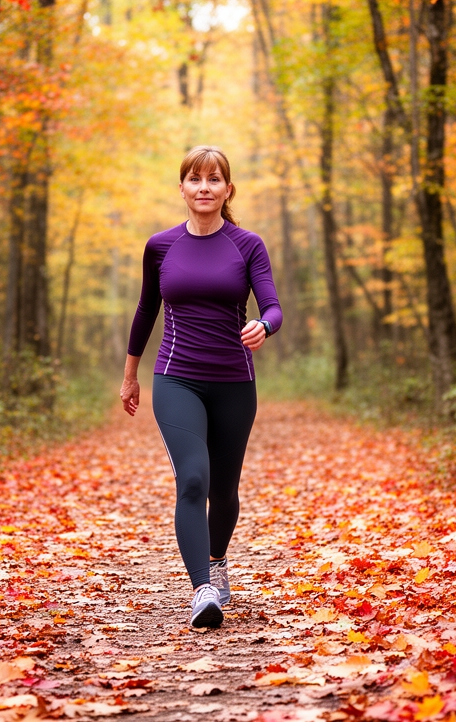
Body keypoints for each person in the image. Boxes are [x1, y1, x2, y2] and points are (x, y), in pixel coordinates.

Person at [119, 145, 282, 629]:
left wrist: (264, 327)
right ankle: (202, 590)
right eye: (195, 179)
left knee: (225, 488)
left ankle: (216, 560)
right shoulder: (160, 246)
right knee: (194, 478)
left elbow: (272, 306)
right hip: (176, 376)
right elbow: (147, 310)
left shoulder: (247, 244)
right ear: (183, 188)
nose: (204, 188)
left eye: (214, 180)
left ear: (227, 190)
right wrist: (130, 375)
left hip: (234, 379)